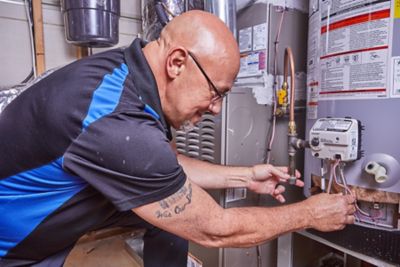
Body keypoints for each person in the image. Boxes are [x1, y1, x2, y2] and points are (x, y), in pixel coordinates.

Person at [0, 10, 356, 267]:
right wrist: (310, 213)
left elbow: (161, 168)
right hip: (15, 249)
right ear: (177, 63)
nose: (217, 110)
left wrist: (246, 176)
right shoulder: (117, 124)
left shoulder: (126, 75)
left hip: (43, 228)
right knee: (187, 216)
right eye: (217, 93)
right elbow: (216, 231)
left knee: (169, 212)